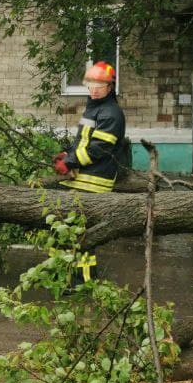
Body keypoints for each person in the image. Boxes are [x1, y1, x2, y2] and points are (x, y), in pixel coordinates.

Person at [53, 60, 130, 281]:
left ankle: (82, 283)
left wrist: (70, 163)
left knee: (80, 234)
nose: (94, 90)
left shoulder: (111, 113)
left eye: (99, 85)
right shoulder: (94, 108)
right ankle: (66, 278)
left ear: (110, 87)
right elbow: (83, 141)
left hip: (95, 181)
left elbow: (99, 148)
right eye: (91, 85)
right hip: (83, 178)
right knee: (68, 230)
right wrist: (66, 154)